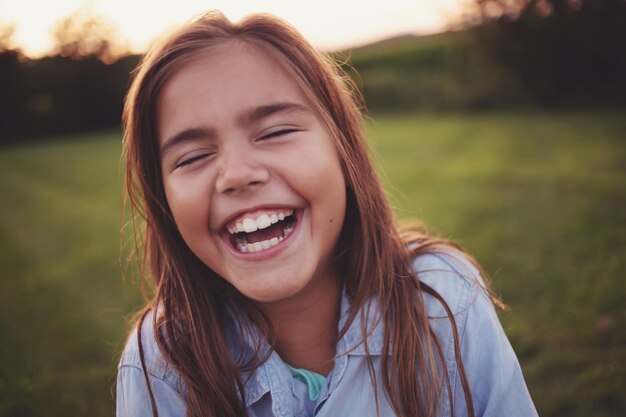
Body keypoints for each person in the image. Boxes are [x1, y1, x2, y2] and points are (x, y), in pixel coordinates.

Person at [116, 10, 538, 417]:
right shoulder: (158, 366)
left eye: (277, 131)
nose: (238, 175)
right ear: (163, 199)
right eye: (192, 157)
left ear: (343, 149)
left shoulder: (444, 298)